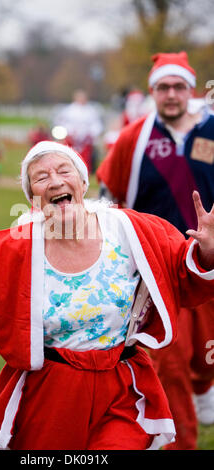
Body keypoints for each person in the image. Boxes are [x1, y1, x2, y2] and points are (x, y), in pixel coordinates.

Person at [0, 139, 214, 450]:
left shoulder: (132, 230)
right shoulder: (7, 249)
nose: (55, 181)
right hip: (49, 394)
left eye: (63, 170)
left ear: (83, 182)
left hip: (121, 391)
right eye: (41, 177)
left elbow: (185, 277)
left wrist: (208, 253)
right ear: (33, 199)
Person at [96, 51, 214, 450]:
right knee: (171, 361)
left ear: (190, 90)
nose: (171, 94)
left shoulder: (212, 132)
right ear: (152, 92)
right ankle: (177, 438)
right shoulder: (134, 138)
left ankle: (205, 386)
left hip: (211, 265)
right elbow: (107, 197)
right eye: (162, 87)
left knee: (204, 360)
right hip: (159, 270)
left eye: (178, 86)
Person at [53, 89, 103, 174]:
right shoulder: (69, 110)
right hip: (72, 138)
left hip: (86, 140)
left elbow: (96, 125)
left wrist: (90, 133)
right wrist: (70, 131)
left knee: (86, 156)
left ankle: (86, 170)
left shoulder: (91, 111)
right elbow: (62, 123)